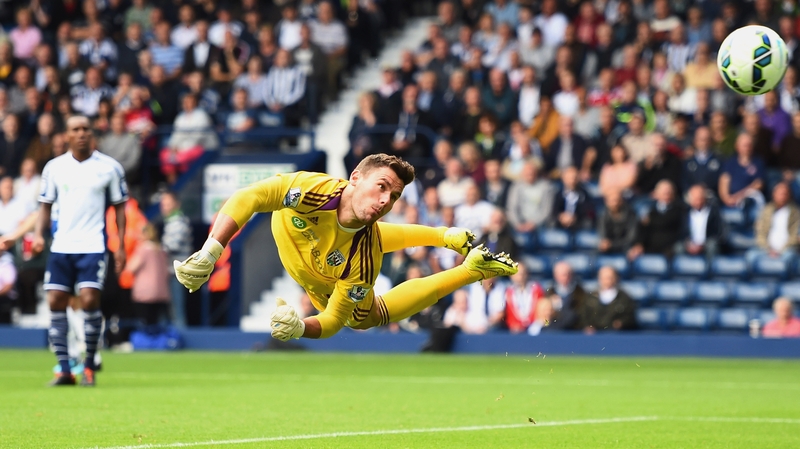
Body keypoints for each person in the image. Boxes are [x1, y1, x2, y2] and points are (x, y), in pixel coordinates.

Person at [173, 154, 518, 341]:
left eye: (394, 196)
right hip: (311, 253)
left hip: (321, 279)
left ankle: (470, 270)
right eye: (381, 186)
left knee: (363, 318)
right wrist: (211, 250)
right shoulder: (313, 190)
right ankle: (446, 236)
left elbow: (334, 320)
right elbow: (251, 196)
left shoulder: (365, 260)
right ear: (355, 177)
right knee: (370, 233)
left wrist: (300, 328)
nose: (385, 200)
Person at [35, 115, 128, 386]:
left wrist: (120, 244)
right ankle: (64, 368)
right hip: (61, 246)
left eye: (86, 129)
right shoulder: (54, 168)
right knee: (55, 302)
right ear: (66, 135)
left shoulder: (109, 168)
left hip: (92, 246)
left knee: (88, 300)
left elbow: (120, 206)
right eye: (76, 129)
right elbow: (45, 204)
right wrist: (39, 235)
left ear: (93, 133)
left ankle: (88, 364)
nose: (81, 133)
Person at [128, 223, 170, 327]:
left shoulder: (143, 249)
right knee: (155, 322)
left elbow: (131, 267)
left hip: (145, 292)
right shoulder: (161, 249)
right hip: (161, 291)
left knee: (144, 323)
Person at [578, 266, 637, 333]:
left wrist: (621, 323)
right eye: (604, 278)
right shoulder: (590, 297)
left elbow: (629, 316)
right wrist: (588, 326)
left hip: (616, 335)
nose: (607, 281)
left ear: (616, 278)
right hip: (594, 335)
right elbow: (584, 314)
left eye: (610, 277)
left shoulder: (624, 298)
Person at [678, 184, 725, 262]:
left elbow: (719, 232)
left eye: (700, 198)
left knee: (712, 246)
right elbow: (681, 232)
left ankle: (710, 271)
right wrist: (688, 243)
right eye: (695, 199)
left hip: (707, 243)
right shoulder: (684, 213)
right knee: (678, 247)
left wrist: (703, 245)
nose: (698, 202)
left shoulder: (714, 212)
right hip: (690, 244)